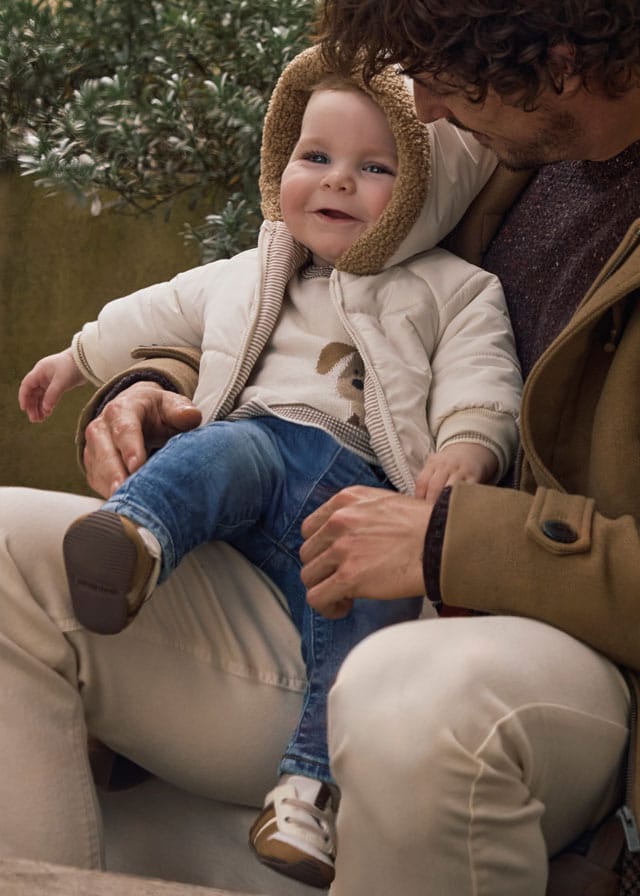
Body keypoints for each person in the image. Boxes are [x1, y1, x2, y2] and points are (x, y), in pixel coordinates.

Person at [52, 2, 640, 893]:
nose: (424, 108)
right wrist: (159, 383)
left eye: (442, 70)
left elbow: (464, 368)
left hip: (549, 638)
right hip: (342, 543)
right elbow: (315, 312)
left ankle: (310, 789)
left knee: (406, 694)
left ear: (553, 47)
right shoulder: (503, 151)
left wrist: (454, 538)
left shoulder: (490, 153)